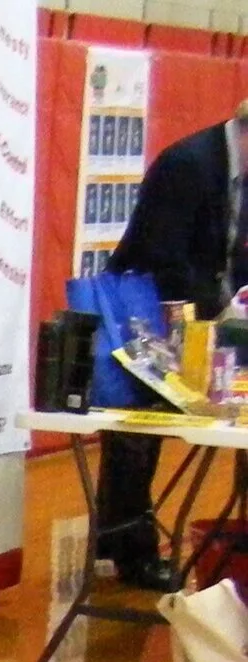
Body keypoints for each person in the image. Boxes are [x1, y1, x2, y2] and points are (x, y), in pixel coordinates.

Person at [96, 105, 248, 592]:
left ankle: (118, 541)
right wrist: (220, 311)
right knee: (135, 433)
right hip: (145, 313)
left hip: (198, 315)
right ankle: (130, 551)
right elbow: (162, 257)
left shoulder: (235, 170)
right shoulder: (189, 164)